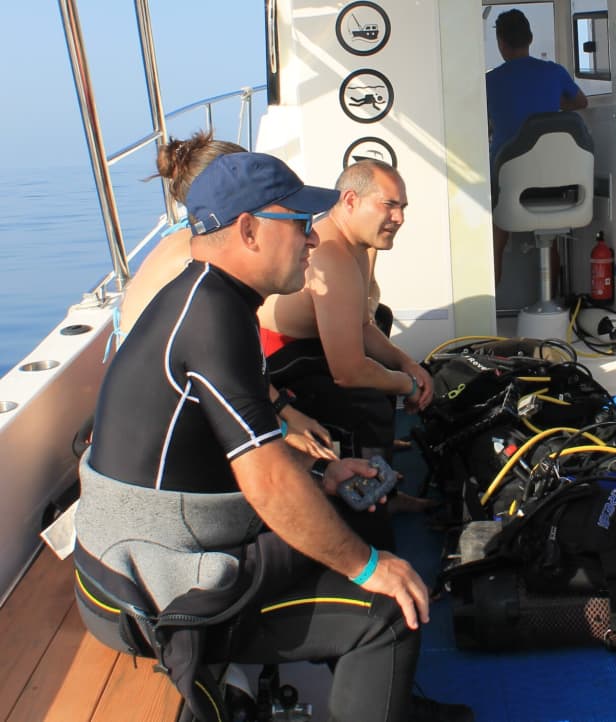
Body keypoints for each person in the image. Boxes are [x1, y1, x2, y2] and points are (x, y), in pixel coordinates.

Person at [73, 152, 473, 722]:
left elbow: (239, 445)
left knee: (355, 515)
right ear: (248, 229)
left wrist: (324, 474)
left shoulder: (212, 298)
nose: (313, 239)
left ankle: (390, 701)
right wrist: (368, 568)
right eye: (300, 224)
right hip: (153, 583)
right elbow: (265, 482)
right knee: (384, 605)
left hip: (158, 545)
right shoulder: (211, 318)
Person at [119, 131, 335, 461]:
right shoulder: (198, 268)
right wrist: (286, 431)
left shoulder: (197, 247)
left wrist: (288, 414)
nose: (313, 238)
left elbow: (240, 363)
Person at [258, 160, 434, 521]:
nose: (399, 217)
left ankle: (378, 452)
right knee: (365, 400)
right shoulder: (332, 255)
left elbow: (364, 323)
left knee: (381, 324)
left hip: (309, 344)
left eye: (402, 207)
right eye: (389, 205)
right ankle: (369, 501)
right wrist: (408, 385)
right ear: (350, 201)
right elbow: (349, 373)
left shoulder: (359, 245)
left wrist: (406, 364)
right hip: (277, 362)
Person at [486, 8, 588, 283]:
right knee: (549, 233)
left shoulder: (489, 81)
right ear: (530, 38)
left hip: (508, 181)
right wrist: (555, 103)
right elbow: (581, 103)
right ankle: (553, 298)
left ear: (501, 43)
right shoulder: (555, 72)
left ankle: (492, 311)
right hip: (554, 179)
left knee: (496, 234)